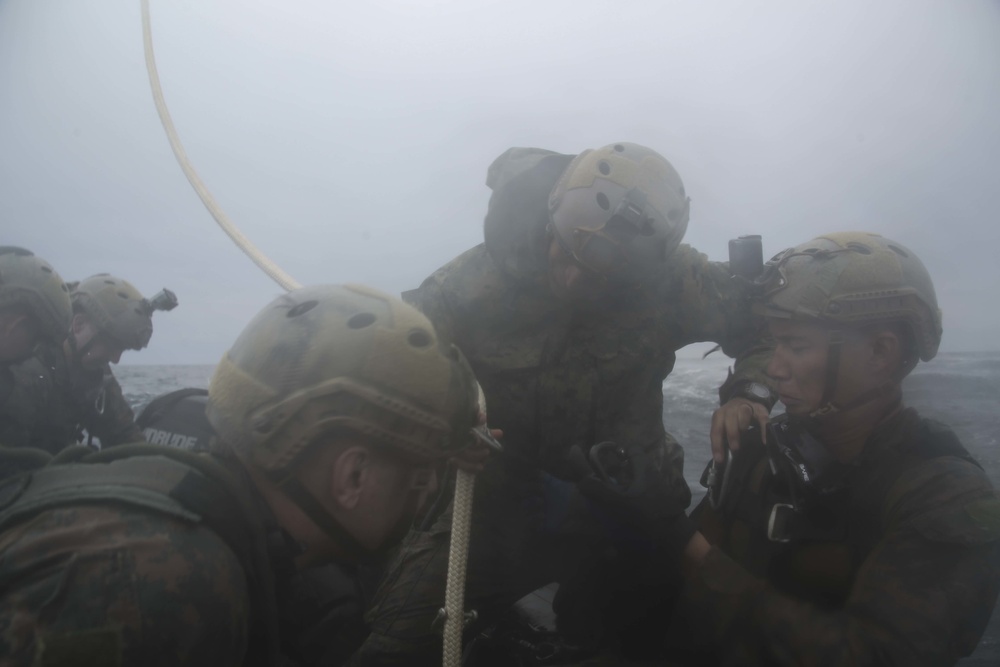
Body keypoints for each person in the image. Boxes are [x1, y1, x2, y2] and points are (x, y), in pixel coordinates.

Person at [359, 143, 776, 663]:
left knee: (667, 640)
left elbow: (769, 322)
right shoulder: (472, 285)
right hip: (495, 500)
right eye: (567, 252)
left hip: (632, 499)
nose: (576, 279)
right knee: (395, 644)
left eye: (603, 273)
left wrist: (748, 393)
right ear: (553, 211)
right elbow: (391, 356)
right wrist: (440, 429)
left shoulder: (671, 284)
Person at [0, 284, 486, 666]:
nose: (423, 503)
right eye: (420, 480)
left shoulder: (201, 517)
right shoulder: (184, 582)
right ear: (353, 476)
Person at [583, 232, 1000, 666]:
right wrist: (632, 523)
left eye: (796, 346)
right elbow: (682, 586)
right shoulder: (763, 446)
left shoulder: (943, 499)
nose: (775, 370)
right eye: (774, 343)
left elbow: (872, 655)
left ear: (880, 353)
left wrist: (682, 542)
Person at [0, 274, 176, 452]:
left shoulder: (96, 377)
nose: (116, 359)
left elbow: (125, 436)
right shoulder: (28, 373)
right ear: (79, 324)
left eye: (122, 349)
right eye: (111, 345)